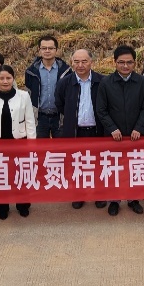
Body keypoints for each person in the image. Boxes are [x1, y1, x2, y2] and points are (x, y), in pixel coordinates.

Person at [95, 45, 144, 216]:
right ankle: (114, 200)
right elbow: (101, 109)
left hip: (135, 136)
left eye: (129, 62)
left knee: (134, 168)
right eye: (121, 62)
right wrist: (112, 128)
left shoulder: (142, 82)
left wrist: (139, 128)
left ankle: (133, 199)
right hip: (114, 137)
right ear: (115, 63)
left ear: (135, 63)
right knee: (114, 168)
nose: (125, 66)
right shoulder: (106, 82)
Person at [0, 65, 37, 219]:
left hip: (20, 142)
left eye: (8, 78)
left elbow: (30, 122)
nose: (5, 81)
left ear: (13, 78)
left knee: (21, 175)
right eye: (1, 78)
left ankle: (23, 204)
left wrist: (32, 144)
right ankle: (1, 207)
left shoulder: (24, 96)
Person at [56, 49, 108, 211]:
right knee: (77, 165)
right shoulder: (65, 82)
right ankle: (78, 195)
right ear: (71, 62)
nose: (80, 65)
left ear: (91, 62)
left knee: (98, 164)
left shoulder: (102, 81)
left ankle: (99, 195)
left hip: (97, 131)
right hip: (75, 131)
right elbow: (60, 104)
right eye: (76, 61)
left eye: (84, 61)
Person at [25, 34, 68, 139]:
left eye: (51, 48)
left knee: (62, 149)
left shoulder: (66, 71)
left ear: (56, 50)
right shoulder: (31, 72)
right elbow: (28, 94)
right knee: (39, 150)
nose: (47, 51)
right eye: (44, 48)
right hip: (40, 117)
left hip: (60, 117)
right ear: (39, 50)